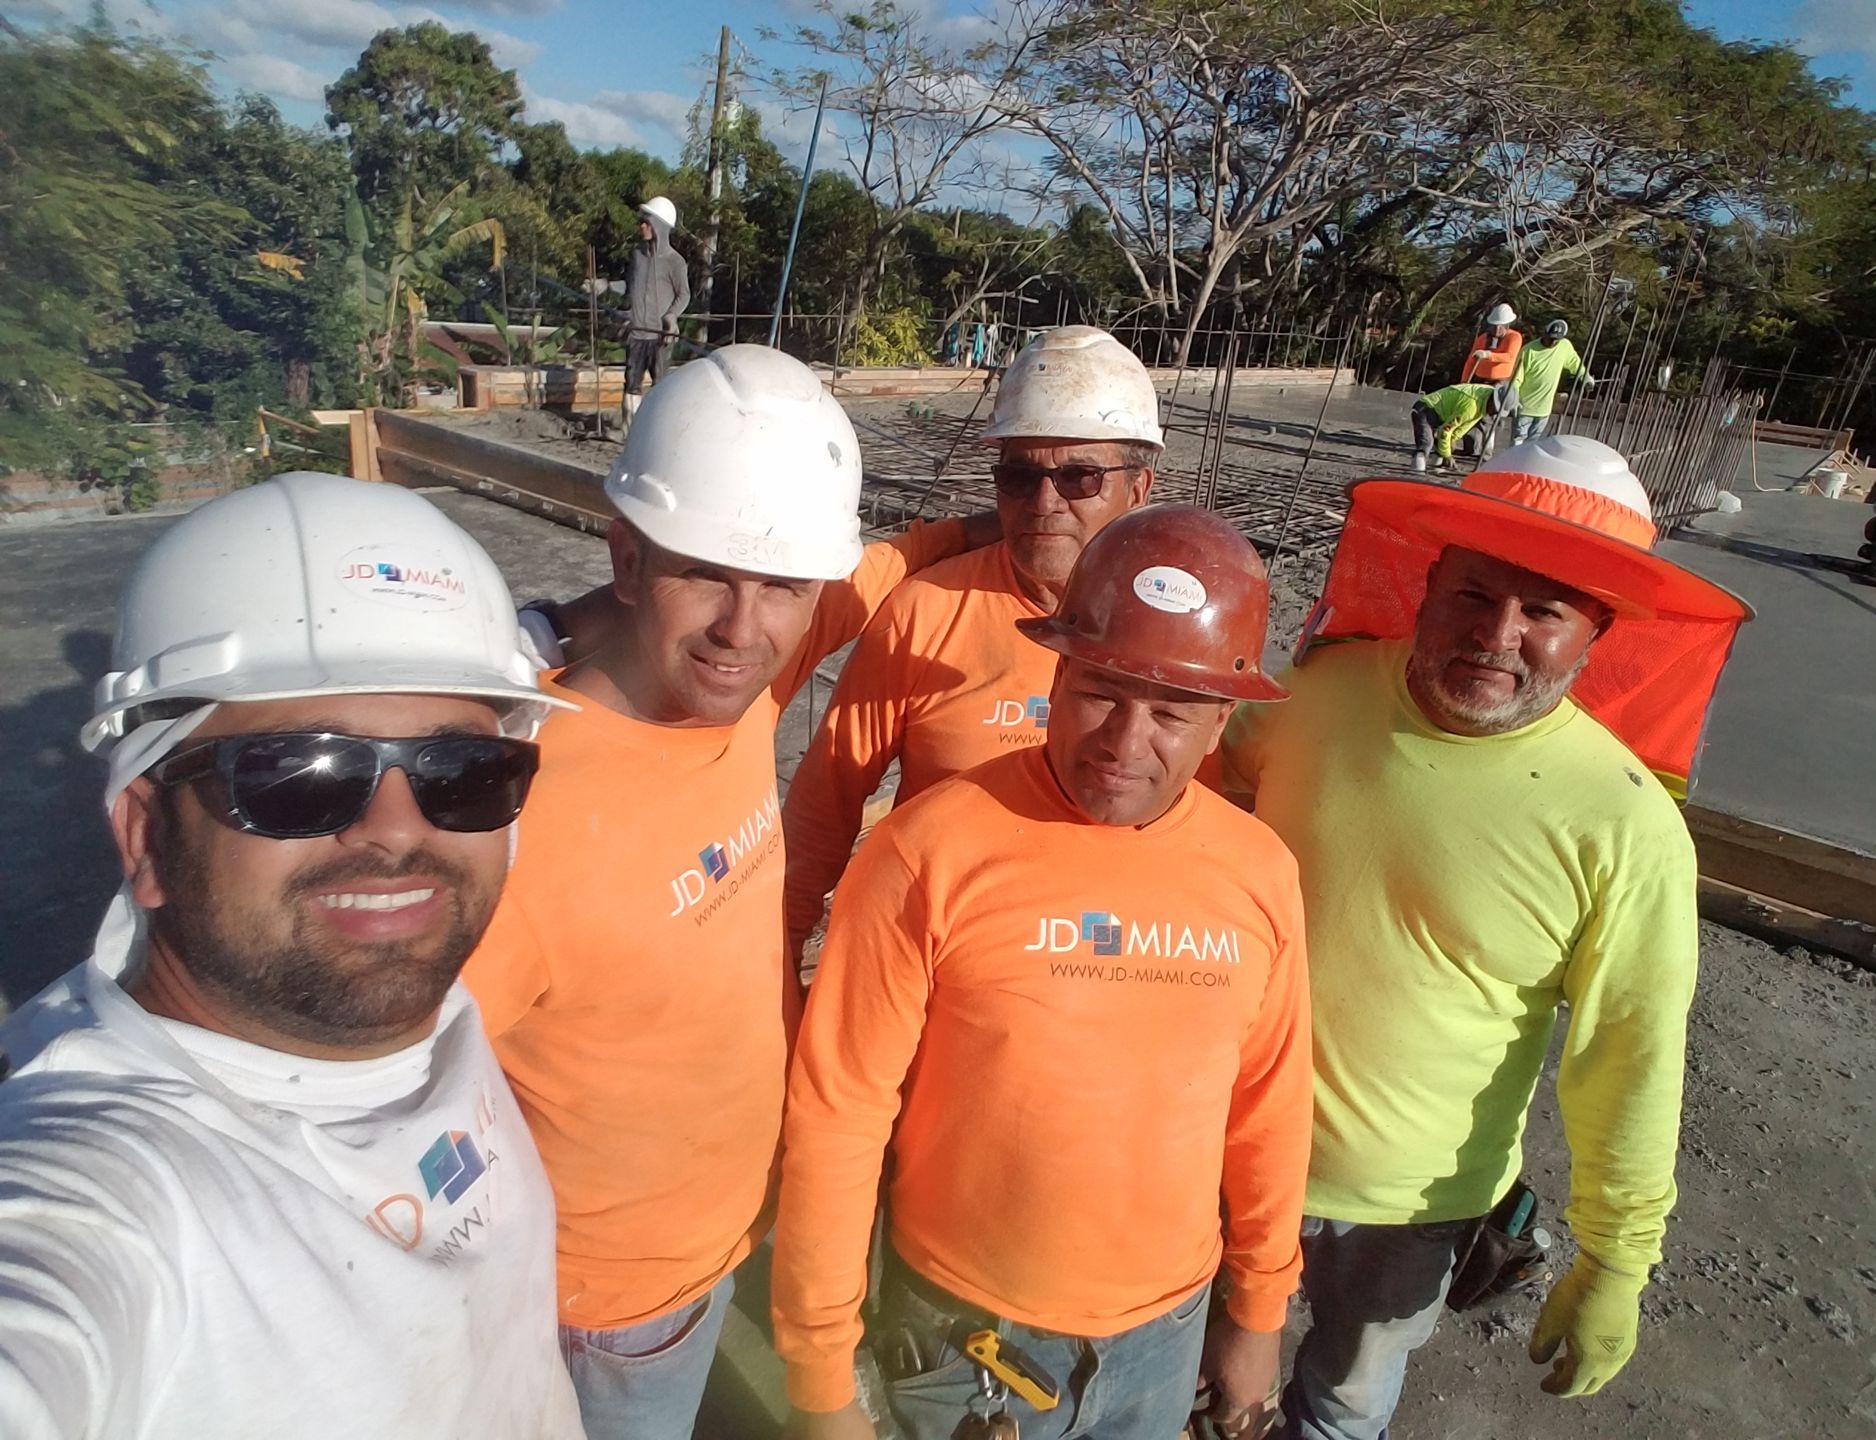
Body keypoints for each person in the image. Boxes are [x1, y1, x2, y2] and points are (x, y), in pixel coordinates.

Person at [461, 344, 997, 1440]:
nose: (741, 630)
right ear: (624, 553)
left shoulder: (747, 681)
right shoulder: (507, 817)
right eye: (705, 572)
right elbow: (354, 1106)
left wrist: (971, 535)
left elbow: (866, 581)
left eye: (780, 586)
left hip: (731, 1231)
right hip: (608, 1306)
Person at [0, 473, 584, 1439]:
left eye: (463, 774)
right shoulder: (113, 1181)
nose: (396, 831)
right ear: (145, 837)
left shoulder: (409, 1005)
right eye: (296, 776)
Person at [1220, 436, 1753, 1440]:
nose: (1496, 634)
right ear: (1429, 586)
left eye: (1543, 610)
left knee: (1340, 1409)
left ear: (1597, 630)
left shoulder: (1625, 827)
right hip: (1221, 1143)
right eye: (1474, 594)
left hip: (1412, 1204)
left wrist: (1616, 1261)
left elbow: (1629, 1060)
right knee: (1198, 1390)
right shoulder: (1313, 698)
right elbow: (1193, 801)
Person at [774, 505, 1315, 1440]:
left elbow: (1269, 1107)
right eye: (1101, 691)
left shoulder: (1258, 874)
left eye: (1172, 712)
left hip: (1165, 1337)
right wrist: (822, 1374)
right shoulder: (928, 852)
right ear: (1057, 672)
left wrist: (1258, 1312)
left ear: (1223, 719)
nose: (1123, 740)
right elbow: (839, 1113)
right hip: (962, 1344)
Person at [782, 325, 1160, 963]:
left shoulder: (1176, 634)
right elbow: (824, 810)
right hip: (934, 968)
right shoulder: (924, 614)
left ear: (1140, 488)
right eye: (1018, 477)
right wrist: (782, 959)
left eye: (1080, 477)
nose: (1044, 502)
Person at [623, 194, 690, 424]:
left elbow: (684, 294)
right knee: (631, 386)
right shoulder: (637, 256)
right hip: (637, 334)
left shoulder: (675, 262)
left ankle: (657, 429)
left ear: (659, 226)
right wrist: (603, 286)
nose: (642, 226)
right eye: (642, 221)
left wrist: (671, 317)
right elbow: (629, 286)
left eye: (647, 222)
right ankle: (629, 434)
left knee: (660, 387)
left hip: (660, 337)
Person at [1511, 319, 1592, 443]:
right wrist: (1513, 397)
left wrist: (1585, 377)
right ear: (1544, 333)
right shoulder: (1529, 350)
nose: (1553, 342)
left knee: (1533, 444)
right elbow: (1516, 378)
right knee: (1518, 441)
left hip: (1544, 408)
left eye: (1556, 340)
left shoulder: (1564, 346)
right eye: (1550, 338)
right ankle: (1513, 462)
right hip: (1524, 406)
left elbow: (1575, 364)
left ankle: (1528, 463)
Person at [1408, 379, 1513, 472]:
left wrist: (1452, 441)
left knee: (1442, 447)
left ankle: (1435, 465)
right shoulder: (1471, 406)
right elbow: (1446, 430)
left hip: (1442, 414)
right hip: (1425, 409)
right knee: (1426, 444)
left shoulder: (1484, 399)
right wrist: (1447, 455)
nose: (1494, 414)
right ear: (1492, 402)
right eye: (1495, 410)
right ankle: (1417, 471)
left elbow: (1463, 426)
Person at [1460, 302, 1522, 383]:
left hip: (1500, 383)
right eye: (1494, 326)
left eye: (1501, 326)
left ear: (1507, 325)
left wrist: (1488, 355)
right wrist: (1464, 380)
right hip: (1479, 380)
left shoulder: (1514, 337)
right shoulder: (1483, 338)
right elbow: (1471, 360)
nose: (1497, 329)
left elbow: (1509, 357)